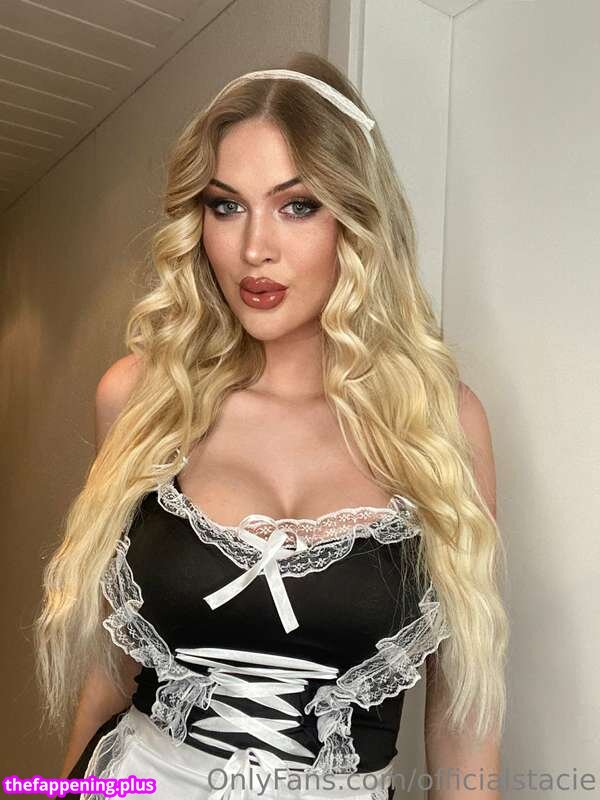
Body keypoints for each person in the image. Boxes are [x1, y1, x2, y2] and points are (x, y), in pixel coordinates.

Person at [34, 52, 508, 800]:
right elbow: (111, 673)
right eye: (226, 207)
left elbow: (462, 721)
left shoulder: (441, 424)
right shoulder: (142, 398)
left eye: (298, 206)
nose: (255, 247)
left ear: (357, 220)